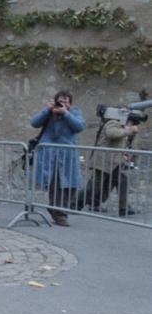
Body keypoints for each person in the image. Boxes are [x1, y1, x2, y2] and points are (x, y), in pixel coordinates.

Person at [30, 90, 86, 226]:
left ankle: (58, 209)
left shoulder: (74, 113)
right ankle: (59, 214)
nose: (63, 103)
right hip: (50, 155)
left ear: (70, 103)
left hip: (68, 156)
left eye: (66, 101)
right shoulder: (49, 113)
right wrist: (47, 110)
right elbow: (34, 123)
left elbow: (79, 126)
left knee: (71, 185)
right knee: (56, 184)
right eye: (60, 100)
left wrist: (66, 113)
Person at [82, 112, 141, 216]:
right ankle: (74, 204)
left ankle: (123, 208)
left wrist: (126, 151)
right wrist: (129, 130)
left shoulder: (123, 127)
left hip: (114, 162)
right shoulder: (113, 122)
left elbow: (122, 143)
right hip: (104, 161)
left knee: (122, 180)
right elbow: (111, 133)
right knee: (94, 185)